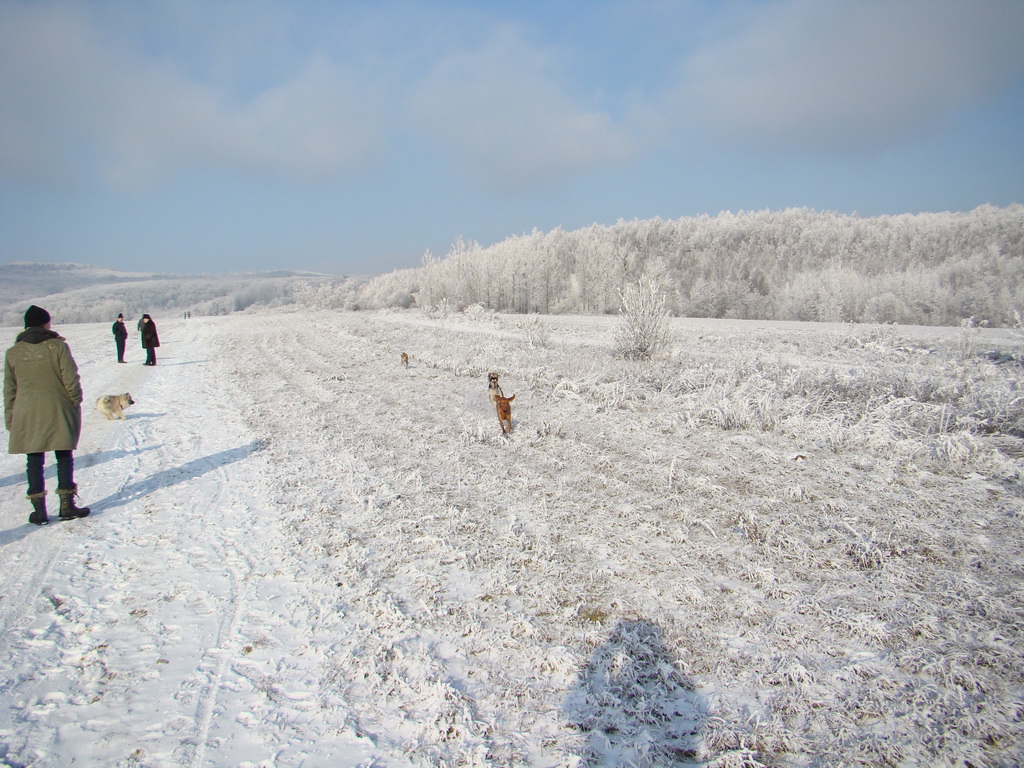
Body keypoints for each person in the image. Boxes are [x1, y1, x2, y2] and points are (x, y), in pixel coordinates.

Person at [4, 305, 91, 525]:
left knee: (33, 458)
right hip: (57, 406)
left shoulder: (13, 352)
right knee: (63, 454)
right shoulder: (57, 346)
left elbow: (10, 389)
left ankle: (39, 510)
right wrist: (75, 400)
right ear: (45, 324)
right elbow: (70, 376)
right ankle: (66, 505)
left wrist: (11, 417)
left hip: (26, 411)